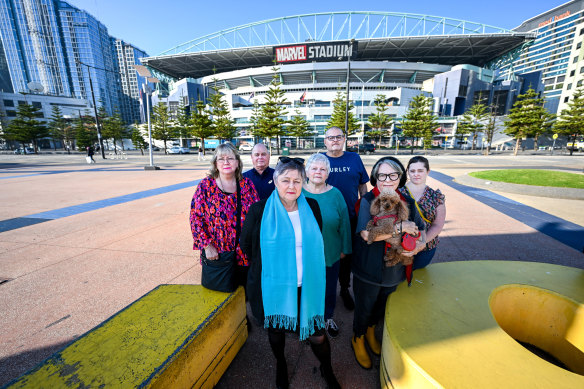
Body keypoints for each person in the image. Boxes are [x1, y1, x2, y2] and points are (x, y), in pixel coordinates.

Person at [241, 157, 340, 389]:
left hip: (307, 286)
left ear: (303, 183)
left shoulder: (312, 207)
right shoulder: (259, 210)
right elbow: (247, 246)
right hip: (275, 286)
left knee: (317, 335)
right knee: (276, 330)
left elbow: (315, 243)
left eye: (297, 180)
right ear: (275, 181)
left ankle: (327, 367)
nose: (292, 186)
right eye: (285, 180)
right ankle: (281, 364)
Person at [351, 156, 426, 370]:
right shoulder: (368, 201)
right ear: (375, 177)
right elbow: (367, 234)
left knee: (382, 306)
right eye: (382, 175)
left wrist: (416, 247)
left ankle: (371, 332)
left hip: (394, 267)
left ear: (400, 177)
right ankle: (358, 337)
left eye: (393, 175)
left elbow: (420, 231)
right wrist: (400, 228)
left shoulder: (408, 201)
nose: (387, 180)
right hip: (369, 267)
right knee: (364, 306)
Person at [190, 142, 259, 290]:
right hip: (218, 254)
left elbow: (257, 217)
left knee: (246, 296)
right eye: (221, 158)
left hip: (245, 255)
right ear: (215, 163)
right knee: (220, 296)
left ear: (237, 162)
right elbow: (195, 218)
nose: (226, 162)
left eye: (230, 158)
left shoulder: (247, 185)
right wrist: (207, 246)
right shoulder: (206, 186)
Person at [302, 153, 351, 339]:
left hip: (330, 251)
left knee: (329, 287)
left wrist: (345, 249)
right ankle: (307, 321)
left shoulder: (336, 194)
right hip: (304, 254)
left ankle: (327, 317)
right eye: (314, 168)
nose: (318, 172)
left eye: (322, 169)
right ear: (307, 171)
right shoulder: (298, 192)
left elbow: (344, 223)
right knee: (306, 289)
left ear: (328, 173)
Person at [323, 126, 369, 311]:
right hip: (326, 220)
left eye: (338, 137)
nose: (335, 140)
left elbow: (362, 186)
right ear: (325, 141)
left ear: (344, 140)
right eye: (330, 137)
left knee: (346, 256)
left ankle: (344, 288)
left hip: (350, 217)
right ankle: (326, 290)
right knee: (327, 255)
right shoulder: (319, 160)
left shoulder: (354, 158)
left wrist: (364, 211)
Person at [400, 156, 446, 270]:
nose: (416, 174)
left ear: (428, 172)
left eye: (420, 171)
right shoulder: (398, 192)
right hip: (400, 246)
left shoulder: (436, 196)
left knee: (417, 277)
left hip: (426, 246)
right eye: (412, 171)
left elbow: (438, 225)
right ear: (407, 172)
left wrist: (422, 243)